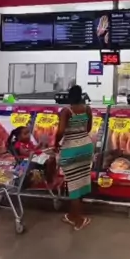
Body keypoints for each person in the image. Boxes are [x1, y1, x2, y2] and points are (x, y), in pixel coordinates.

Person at [55, 85, 93, 231]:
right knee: (81, 182)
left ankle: (78, 220)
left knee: (73, 184)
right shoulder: (87, 109)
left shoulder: (66, 111)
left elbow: (60, 131)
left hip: (71, 149)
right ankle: (72, 215)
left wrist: (56, 143)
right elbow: (88, 129)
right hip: (86, 146)